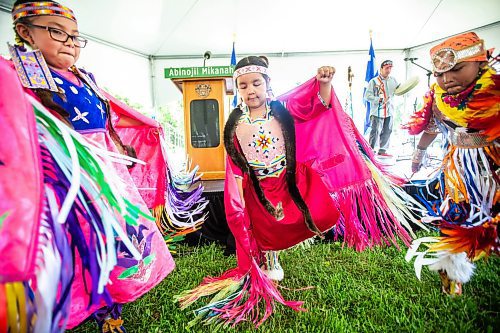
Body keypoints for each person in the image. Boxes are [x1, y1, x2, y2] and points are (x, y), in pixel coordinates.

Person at [176, 56, 424, 327]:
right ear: (237, 90)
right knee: (263, 225)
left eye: (256, 83)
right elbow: (235, 164)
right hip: (257, 185)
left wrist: (325, 84)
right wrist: (239, 199)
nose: (251, 90)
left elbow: (318, 106)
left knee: (308, 214)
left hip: (288, 179)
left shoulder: (283, 109)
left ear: (268, 84)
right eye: (243, 85)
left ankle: (276, 252)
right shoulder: (234, 124)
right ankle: (269, 258)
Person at [3, 1, 175, 331]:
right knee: (77, 246)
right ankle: (89, 308)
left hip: (105, 177)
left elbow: (113, 114)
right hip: (61, 184)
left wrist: (147, 124)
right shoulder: (15, 75)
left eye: (75, 36)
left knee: (114, 240)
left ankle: (110, 309)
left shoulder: (85, 77)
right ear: (25, 33)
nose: (69, 42)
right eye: (57, 32)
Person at [404, 32, 499, 296]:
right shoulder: (438, 94)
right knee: (455, 219)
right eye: (439, 74)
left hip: (495, 167)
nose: (447, 79)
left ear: (480, 63)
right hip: (459, 170)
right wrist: (418, 153)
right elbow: (433, 126)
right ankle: (452, 278)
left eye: (457, 69)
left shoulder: (496, 90)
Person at [364, 60, 399, 157]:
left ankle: (382, 151)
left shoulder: (393, 80)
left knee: (387, 130)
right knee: (375, 131)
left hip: (389, 110)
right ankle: (371, 150)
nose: (389, 70)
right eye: (387, 68)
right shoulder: (374, 81)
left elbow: (398, 90)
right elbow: (367, 96)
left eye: (390, 68)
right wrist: (379, 99)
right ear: (381, 69)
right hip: (377, 111)